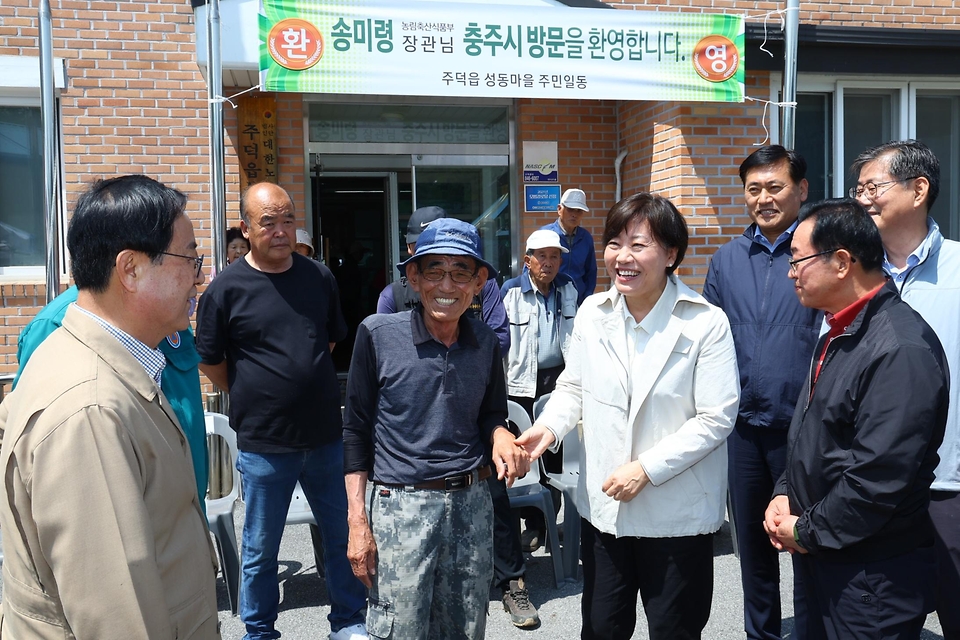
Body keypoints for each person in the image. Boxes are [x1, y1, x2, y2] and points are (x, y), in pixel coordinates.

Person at [0, 175, 218, 638]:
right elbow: (117, 616)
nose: (199, 276)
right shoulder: (89, 408)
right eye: (191, 258)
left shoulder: (108, 362)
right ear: (131, 269)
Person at [517, 193, 740, 640]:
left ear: (671, 254)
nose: (623, 256)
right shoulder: (592, 314)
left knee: (675, 628)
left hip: (677, 512)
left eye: (639, 245)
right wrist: (547, 427)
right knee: (602, 627)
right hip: (608, 510)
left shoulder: (705, 323)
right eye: (615, 243)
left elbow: (716, 418)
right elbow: (573, 387)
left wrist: (647, 468)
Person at [764, 198, 948, 639]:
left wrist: (806, 531)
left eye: (797, 260)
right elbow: (813, 431)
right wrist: (786, 490)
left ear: (842, 262)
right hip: (826, 551)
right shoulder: (839, 328)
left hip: (870, 576)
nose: (791, 272)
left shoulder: (898, 348)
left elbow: (879, 476)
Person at [342, 217, 530, 640]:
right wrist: (357, 522)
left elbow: (490, 415)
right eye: (434, 270)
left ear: (479, 282)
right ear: (413, 276)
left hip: (472, 505)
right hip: (401, 508)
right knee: (400, 631)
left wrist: (500, 435)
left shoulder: (484, 341)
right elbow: (355, 431)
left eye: (461, 271)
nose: (448, 284)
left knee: (465, 630)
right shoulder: (376, 335)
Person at [195, 182, 367, 640]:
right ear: (247, 228)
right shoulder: (226, 289)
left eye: (287, 219)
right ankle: (259, 630)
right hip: (265, 443)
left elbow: (329, 340)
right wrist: (254, 389)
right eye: (268, 222)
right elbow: (210, 360)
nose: (280, 230)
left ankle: (348, 622)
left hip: (327, 436)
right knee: (260, 548)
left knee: (339, 537)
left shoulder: (319, 277)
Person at [702, 145, 821, 640]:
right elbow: (706, 339)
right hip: (742, 431)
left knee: (808, 546)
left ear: (801, 190)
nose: (764, 198)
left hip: (804, 430)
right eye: (754, 189)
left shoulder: (821, 254)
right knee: (753, 550)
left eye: (775, 187)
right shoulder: (728, 259)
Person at [849, 139, 960, 640]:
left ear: (919, 190)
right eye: (859, 189)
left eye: (873, 187)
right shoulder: (850, 277)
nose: (863, 199)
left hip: (950, 489)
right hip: (874, 493)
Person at [13, 284, 209, 517]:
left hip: (189, 511)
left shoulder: (168, 312)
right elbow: (32, 448)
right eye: (187, 258)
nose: (199, 276)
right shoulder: (55, 324)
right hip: (122, 524)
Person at [500, 229, 578, 556]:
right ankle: (532, 524)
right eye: (541, 256)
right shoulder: (510, 292)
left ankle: (549, 522)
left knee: (556, 454)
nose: (548, 263)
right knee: (525, 457)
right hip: (521, 384)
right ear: (528, 260)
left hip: (559, 381)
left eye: (554, 256)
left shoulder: (569, 289)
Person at [377, 205, 509, 354]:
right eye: (423, 243)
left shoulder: (484, 285)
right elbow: (383, 349)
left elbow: (499, 340)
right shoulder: (393, 295)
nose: (447, 286)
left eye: (460, 274)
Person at [541, 188, 597, 305]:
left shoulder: (586, 238)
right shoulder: (545, 234)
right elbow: (530, 270)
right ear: (559, 209)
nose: (574, 215)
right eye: (570, 209)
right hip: (549, 299)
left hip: (578, 301)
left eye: (579, 211)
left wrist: (586, 299)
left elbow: (591, 272)